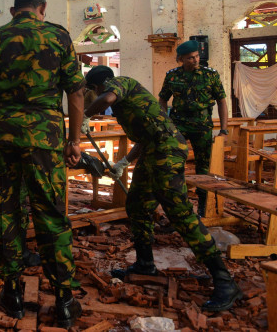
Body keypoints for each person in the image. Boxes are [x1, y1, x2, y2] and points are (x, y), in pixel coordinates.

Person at [83, 65, 241, 312]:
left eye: (91, 92)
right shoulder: (125, 105)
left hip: (167, 150)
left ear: (96, 87)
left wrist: (84, 115)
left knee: (179, 213)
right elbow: (145, 138)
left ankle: (225, 280)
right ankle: (145, 264)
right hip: (153, 150)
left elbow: (107, 98)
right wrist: (124, 162)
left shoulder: (121, 83)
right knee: (136, 206)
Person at [0, 0, 84, 327]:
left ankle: (13, 293)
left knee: (5, 213)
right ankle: (64, 299)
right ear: (42, 8)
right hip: (45, 139)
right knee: (50, 213)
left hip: (1, 137)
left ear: (13, 10)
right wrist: (74, 140)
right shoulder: (59, 37)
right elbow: (76, 94)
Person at [158, 40, 228, 216]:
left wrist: (224, 129)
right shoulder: (172, 76)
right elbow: (162, 99)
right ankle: (179, 206)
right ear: (180, 59)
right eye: (190, 58)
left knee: (203, 167)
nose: (196, 60)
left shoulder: (210, 75)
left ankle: (203, 206)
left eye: (197, 56)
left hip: (202, 125)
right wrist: (165, 123)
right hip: (178, 125)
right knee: (175, 164)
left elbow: (222, 101)